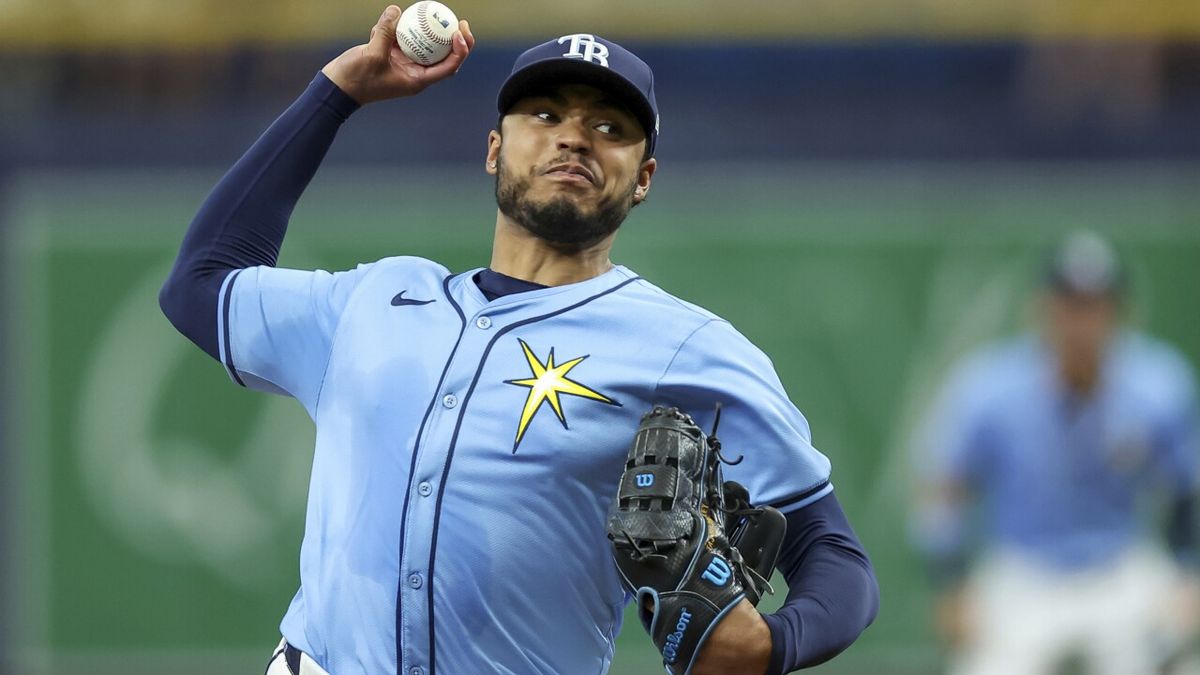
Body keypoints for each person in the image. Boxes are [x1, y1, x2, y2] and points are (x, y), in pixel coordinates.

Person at [159, 6, 879, 675]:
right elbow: (199, 284)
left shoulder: (686, 347)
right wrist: (337, 92)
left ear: (644, 179)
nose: (573, 135)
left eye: (610, 126)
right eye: (545, 113)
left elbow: (836, 557)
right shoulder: (374, 300)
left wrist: (773, 644)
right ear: (494, 150)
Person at [913, 231, 1200, 675]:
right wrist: (953, 584)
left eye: (1094, 305)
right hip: (1024, 570)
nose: (1080, 321)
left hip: (1120, 566)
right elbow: (944, 488)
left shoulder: (1156, 383)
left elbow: (1186, 490)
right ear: (1041, 308)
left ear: (1120, 312)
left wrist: (1187, 576)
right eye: (1069, 304)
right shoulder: (990, 387)